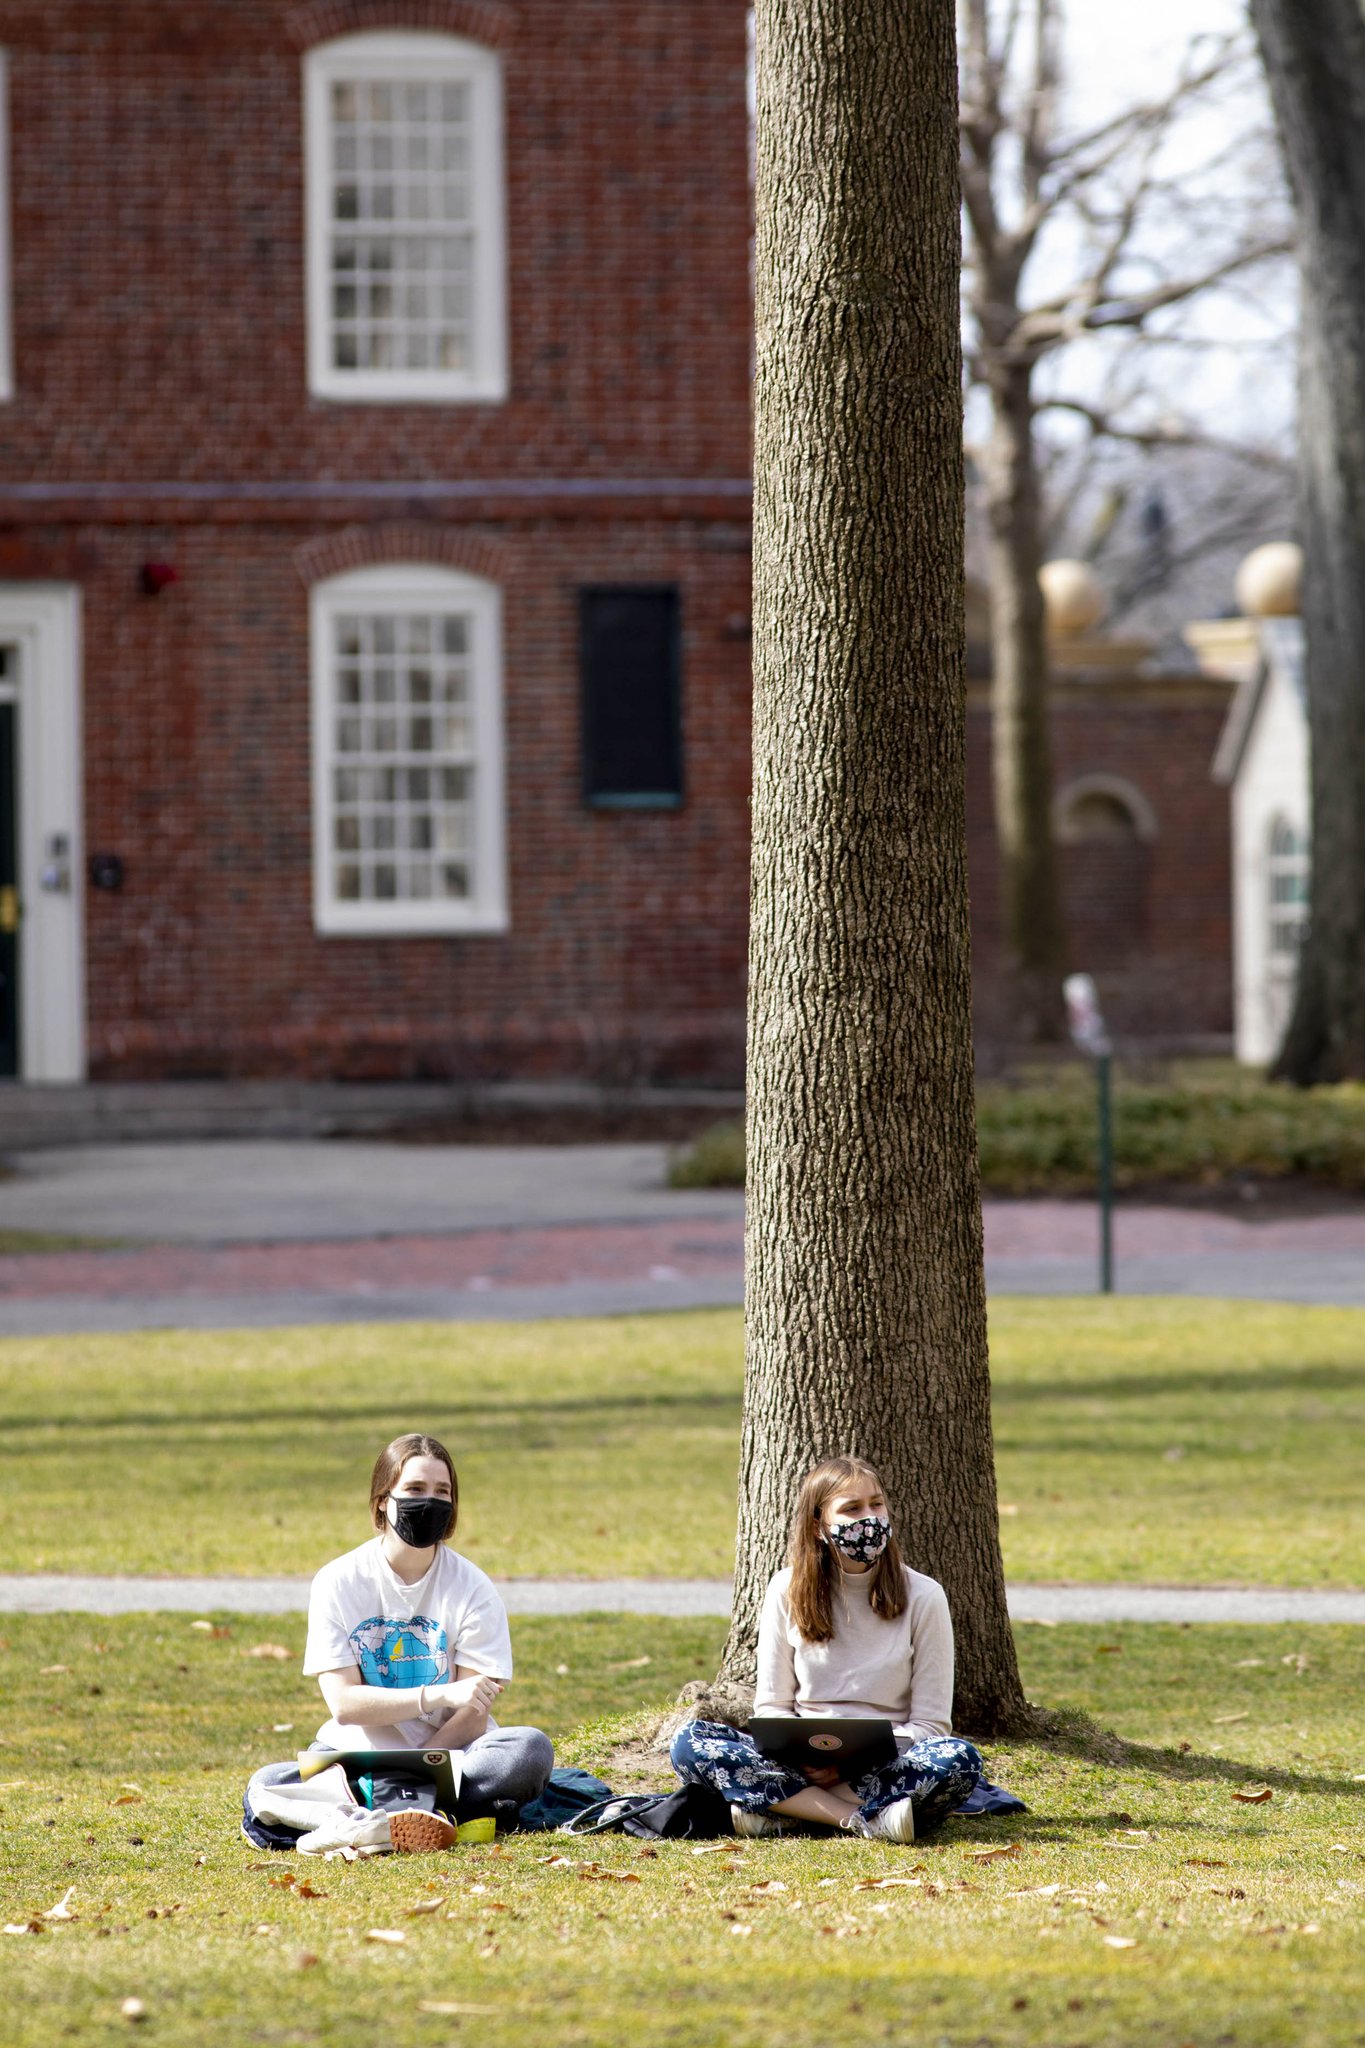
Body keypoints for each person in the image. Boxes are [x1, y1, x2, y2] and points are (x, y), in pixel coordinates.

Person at [671, 1455, 984, 1842]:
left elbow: (931, 1725)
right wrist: (807, 1758)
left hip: (887, 1761)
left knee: (958, 1760)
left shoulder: (925, 1595)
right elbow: (772, 1709)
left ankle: (785, 1813)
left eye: (876, 1504)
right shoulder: (785, 1589)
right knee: (690, 1743)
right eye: (852, 1508)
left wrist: (853, 1762)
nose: (869, 1517)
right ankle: (861, 1819)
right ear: (819, 1525)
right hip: (800, 1763)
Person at [302, 1432, 553, 1830]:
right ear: (383, 1500)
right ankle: (440, 1812)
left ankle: (383, 1810)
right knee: (266, 1781)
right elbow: (345, 1706)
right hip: (361, 1756)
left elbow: (472, 1716)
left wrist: (419, 1771)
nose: (430, 1501)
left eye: (442, 1491)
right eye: (415, 1488)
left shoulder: (473, 1587)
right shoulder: (337, 1581)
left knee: (528, 1750)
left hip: (455, 1757)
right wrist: (439, 1694)